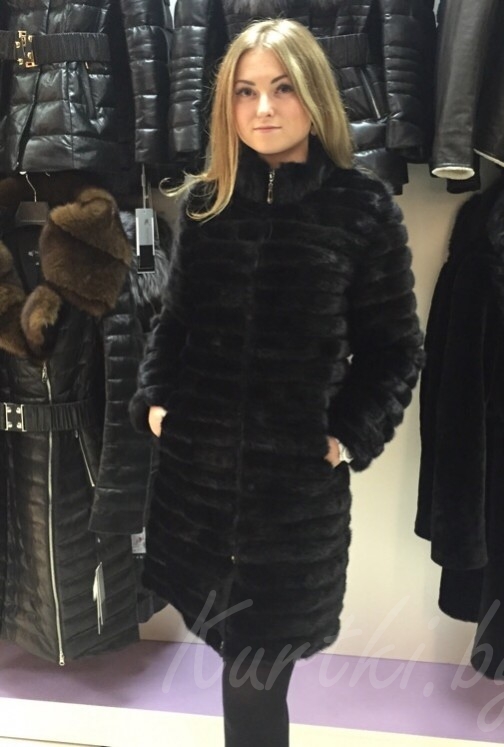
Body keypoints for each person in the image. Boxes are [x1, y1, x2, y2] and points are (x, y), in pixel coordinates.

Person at [130, 17, 423, 747]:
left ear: (315, 96)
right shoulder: (207, 206)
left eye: (283, 88)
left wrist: (343, 437)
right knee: (235, 658)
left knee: (255, 678)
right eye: (245, 91)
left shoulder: (362, 210)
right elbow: (175, 323)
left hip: (290, 509)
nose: (263, 108)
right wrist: (157, 403)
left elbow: (395, 349)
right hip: (196, 494)